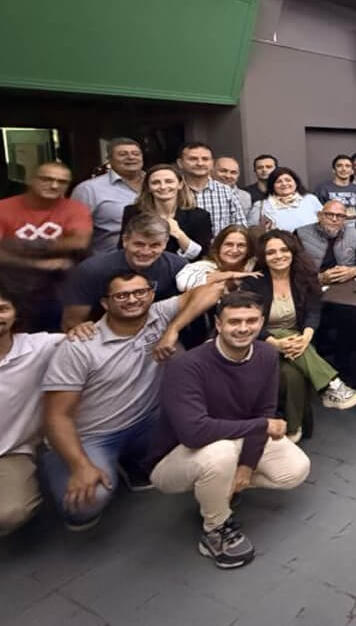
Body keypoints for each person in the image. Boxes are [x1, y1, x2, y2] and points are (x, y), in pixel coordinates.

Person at [41, 271, 227, 531]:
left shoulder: (158, 315)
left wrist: (172, 330)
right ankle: (71, 465)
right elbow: (55, 416)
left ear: (151, 295)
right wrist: (80, 466)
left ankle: (133, 462)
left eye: (140, 292)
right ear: (105, 303)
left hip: (148, 420)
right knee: (86, 503)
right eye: (122, 295)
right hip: (91, 435)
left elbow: (211, 290)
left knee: (206, 421)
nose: (133, 300)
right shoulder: (80, 346)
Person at [144, 290, 310, 569]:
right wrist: (261, 426)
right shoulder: (186, 366)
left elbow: (264, 411)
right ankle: (215, 528)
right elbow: (193, 433)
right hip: (176, 456)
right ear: (218, 325)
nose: (243, 328)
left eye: (251, 321)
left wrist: (246, 466)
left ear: (261, 322)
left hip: (235, 437)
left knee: (295, 469)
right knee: (218, 454)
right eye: (234, 322)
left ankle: (218, 488)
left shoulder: (267, 354)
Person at [241, 231, 356, 441]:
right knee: (283, 333)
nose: (278, 256)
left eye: (283, 250)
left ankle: (292, 429)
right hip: (259, 341)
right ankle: (331, 385)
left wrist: (306, 337)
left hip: (296, 343)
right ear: (263, 256)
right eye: (271, 252)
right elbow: (249, 321)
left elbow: (314, 311)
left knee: (291, 375)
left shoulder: (304, 277)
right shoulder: (255, 282)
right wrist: (275, 342)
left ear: (293, 252)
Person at [0, 284, 64, 535]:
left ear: (16, 314)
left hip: (10, 452)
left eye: (3, 309)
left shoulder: (39, 347)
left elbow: (89, 338)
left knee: (12, 512)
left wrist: (83, 328)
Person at [0, 161, 92, 331]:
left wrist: (14, 245)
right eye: (47, 179)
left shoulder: (75, 208)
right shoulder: (4, 208)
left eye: (62, 182)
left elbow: (79, 242)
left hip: (58, 284)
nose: (54, 185)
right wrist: (40, 262)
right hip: (12, 283)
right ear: (31, 179)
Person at [61, 213, 188, 330]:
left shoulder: (178, 267)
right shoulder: (91, 270)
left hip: (160, 334)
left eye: (154, 245)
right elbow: (72, 323)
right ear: (125, 241)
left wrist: (173, 331)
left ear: (165, 244)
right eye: (139, 244)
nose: (145, 252)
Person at [120, 163, 212, 261]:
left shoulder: (199, 216)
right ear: (148, 187)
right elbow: (123, 248)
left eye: (169, 181)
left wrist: (178, 234)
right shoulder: (133, 213)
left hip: (184, 272)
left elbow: (203, 255)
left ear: (180, 184)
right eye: (156, 182)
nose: (163, 187)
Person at [72, 137, 144, 254]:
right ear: (109, 159)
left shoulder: (158, 184)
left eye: (136, 153)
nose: (131, 157)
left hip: (154, 258)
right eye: (122, 154)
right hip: (109, 261)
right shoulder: (88, 189)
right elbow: (75, 234)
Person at [179, 142, 249, 236]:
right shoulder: (173, 190)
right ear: (180, 163)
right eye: (193, 159)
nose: (200, 163)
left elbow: (240, 226)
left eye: (205, 159)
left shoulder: (226, 191)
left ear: (212, 164)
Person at [295, 200, 356, 283]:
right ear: (319, 215)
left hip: (347, 284)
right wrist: (320, 278)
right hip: (313, 285)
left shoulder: (353, 234)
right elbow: (291, 269)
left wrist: (355, 270)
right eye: (329, 214)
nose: (334, 219)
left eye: (340, 216)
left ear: (345, 219)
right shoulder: (301, 234)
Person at [176, 224, 257, 292]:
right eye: (229, 244)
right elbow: (183, 284)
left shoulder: (253, 268)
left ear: (248, 249)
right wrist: (229, 275)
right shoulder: (202, 266)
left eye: (241, 245)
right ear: (219, 247)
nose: (234, 250)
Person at [247, 167, 323, 233]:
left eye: (288, 180)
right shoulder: (261, 206)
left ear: (296, 183)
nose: (284, 184)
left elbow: (323, 222)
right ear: (272, 186)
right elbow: (252, 231)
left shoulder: (310, 199)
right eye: (279, 181)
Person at [313, 154, 356, 226]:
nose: (344, 169)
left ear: (352, 171)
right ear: (334, 170)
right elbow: (316, 214)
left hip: (352, 231)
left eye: (347, 166)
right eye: (339, 166)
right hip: (330, 231)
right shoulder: (322, 189)